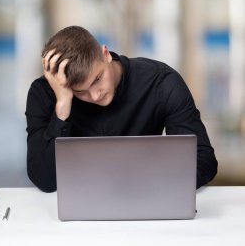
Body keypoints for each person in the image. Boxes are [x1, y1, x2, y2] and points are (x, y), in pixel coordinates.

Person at [25, 26, 218, 193]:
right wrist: (62, 108)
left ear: (105, 53)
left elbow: (203, 161)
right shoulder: (44, 94)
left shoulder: (162, 83)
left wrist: (153, 183)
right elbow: (44, 180)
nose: (95, 96)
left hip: (147, 200)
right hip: (77, 221)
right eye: (80, 92)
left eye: (97, 79)